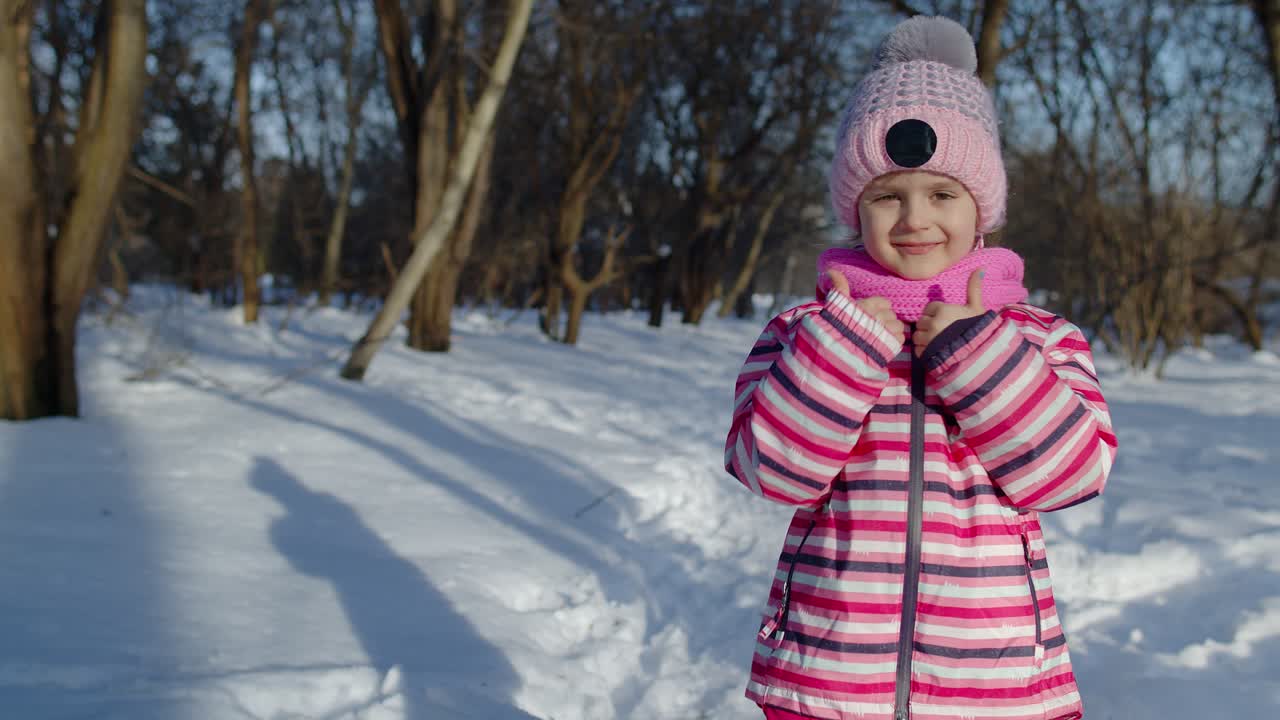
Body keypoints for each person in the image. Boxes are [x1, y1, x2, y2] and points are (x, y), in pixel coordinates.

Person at [723, 15, 1117, 720]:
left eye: (942, 194)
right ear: (855, 209)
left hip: (990, 683)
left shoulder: (1038, 337)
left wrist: (979, 354)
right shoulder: (800, 333)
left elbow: (1071, 473)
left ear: (981, 207)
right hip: (829, 675)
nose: (914, 218)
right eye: (886, 196)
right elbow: (772, 470)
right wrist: (843, 352)